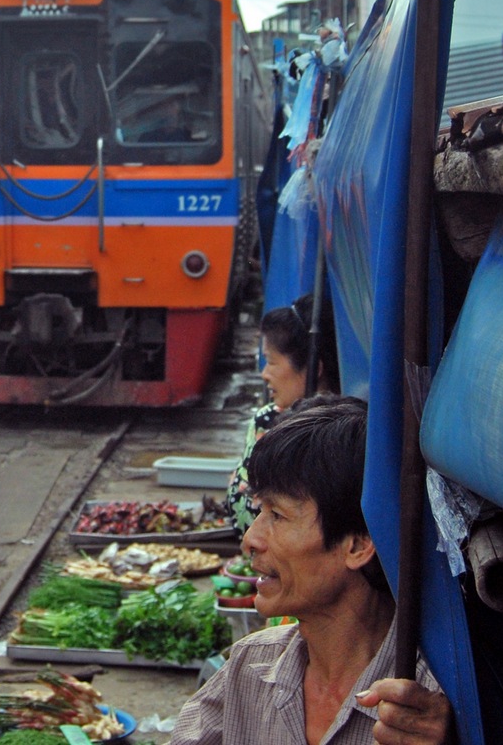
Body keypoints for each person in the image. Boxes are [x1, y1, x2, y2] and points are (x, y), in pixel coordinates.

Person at [172, 396, 451, 745]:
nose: (251, 539)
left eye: (278, 515)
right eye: (261, 511)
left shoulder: (424, 707)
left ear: (359, 544)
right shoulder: (248, 669)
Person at [226, 293, 339, 535]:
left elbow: (243, 512)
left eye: (272, 361)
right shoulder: (352, 428)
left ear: (313, 367)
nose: (264, 374)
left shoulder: (270, 422)